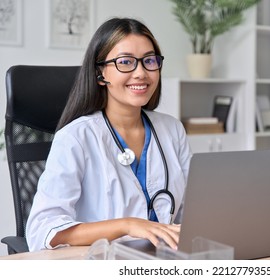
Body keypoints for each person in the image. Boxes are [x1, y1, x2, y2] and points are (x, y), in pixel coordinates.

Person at [26, 17, 192, 252]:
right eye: (125, 62)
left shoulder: (172, 130)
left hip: (164, 262)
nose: (141, 73)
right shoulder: (76, 137)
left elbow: (192, 212)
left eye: (149, 61)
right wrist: (127, 225)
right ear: (100, 74)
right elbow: (43, 230)